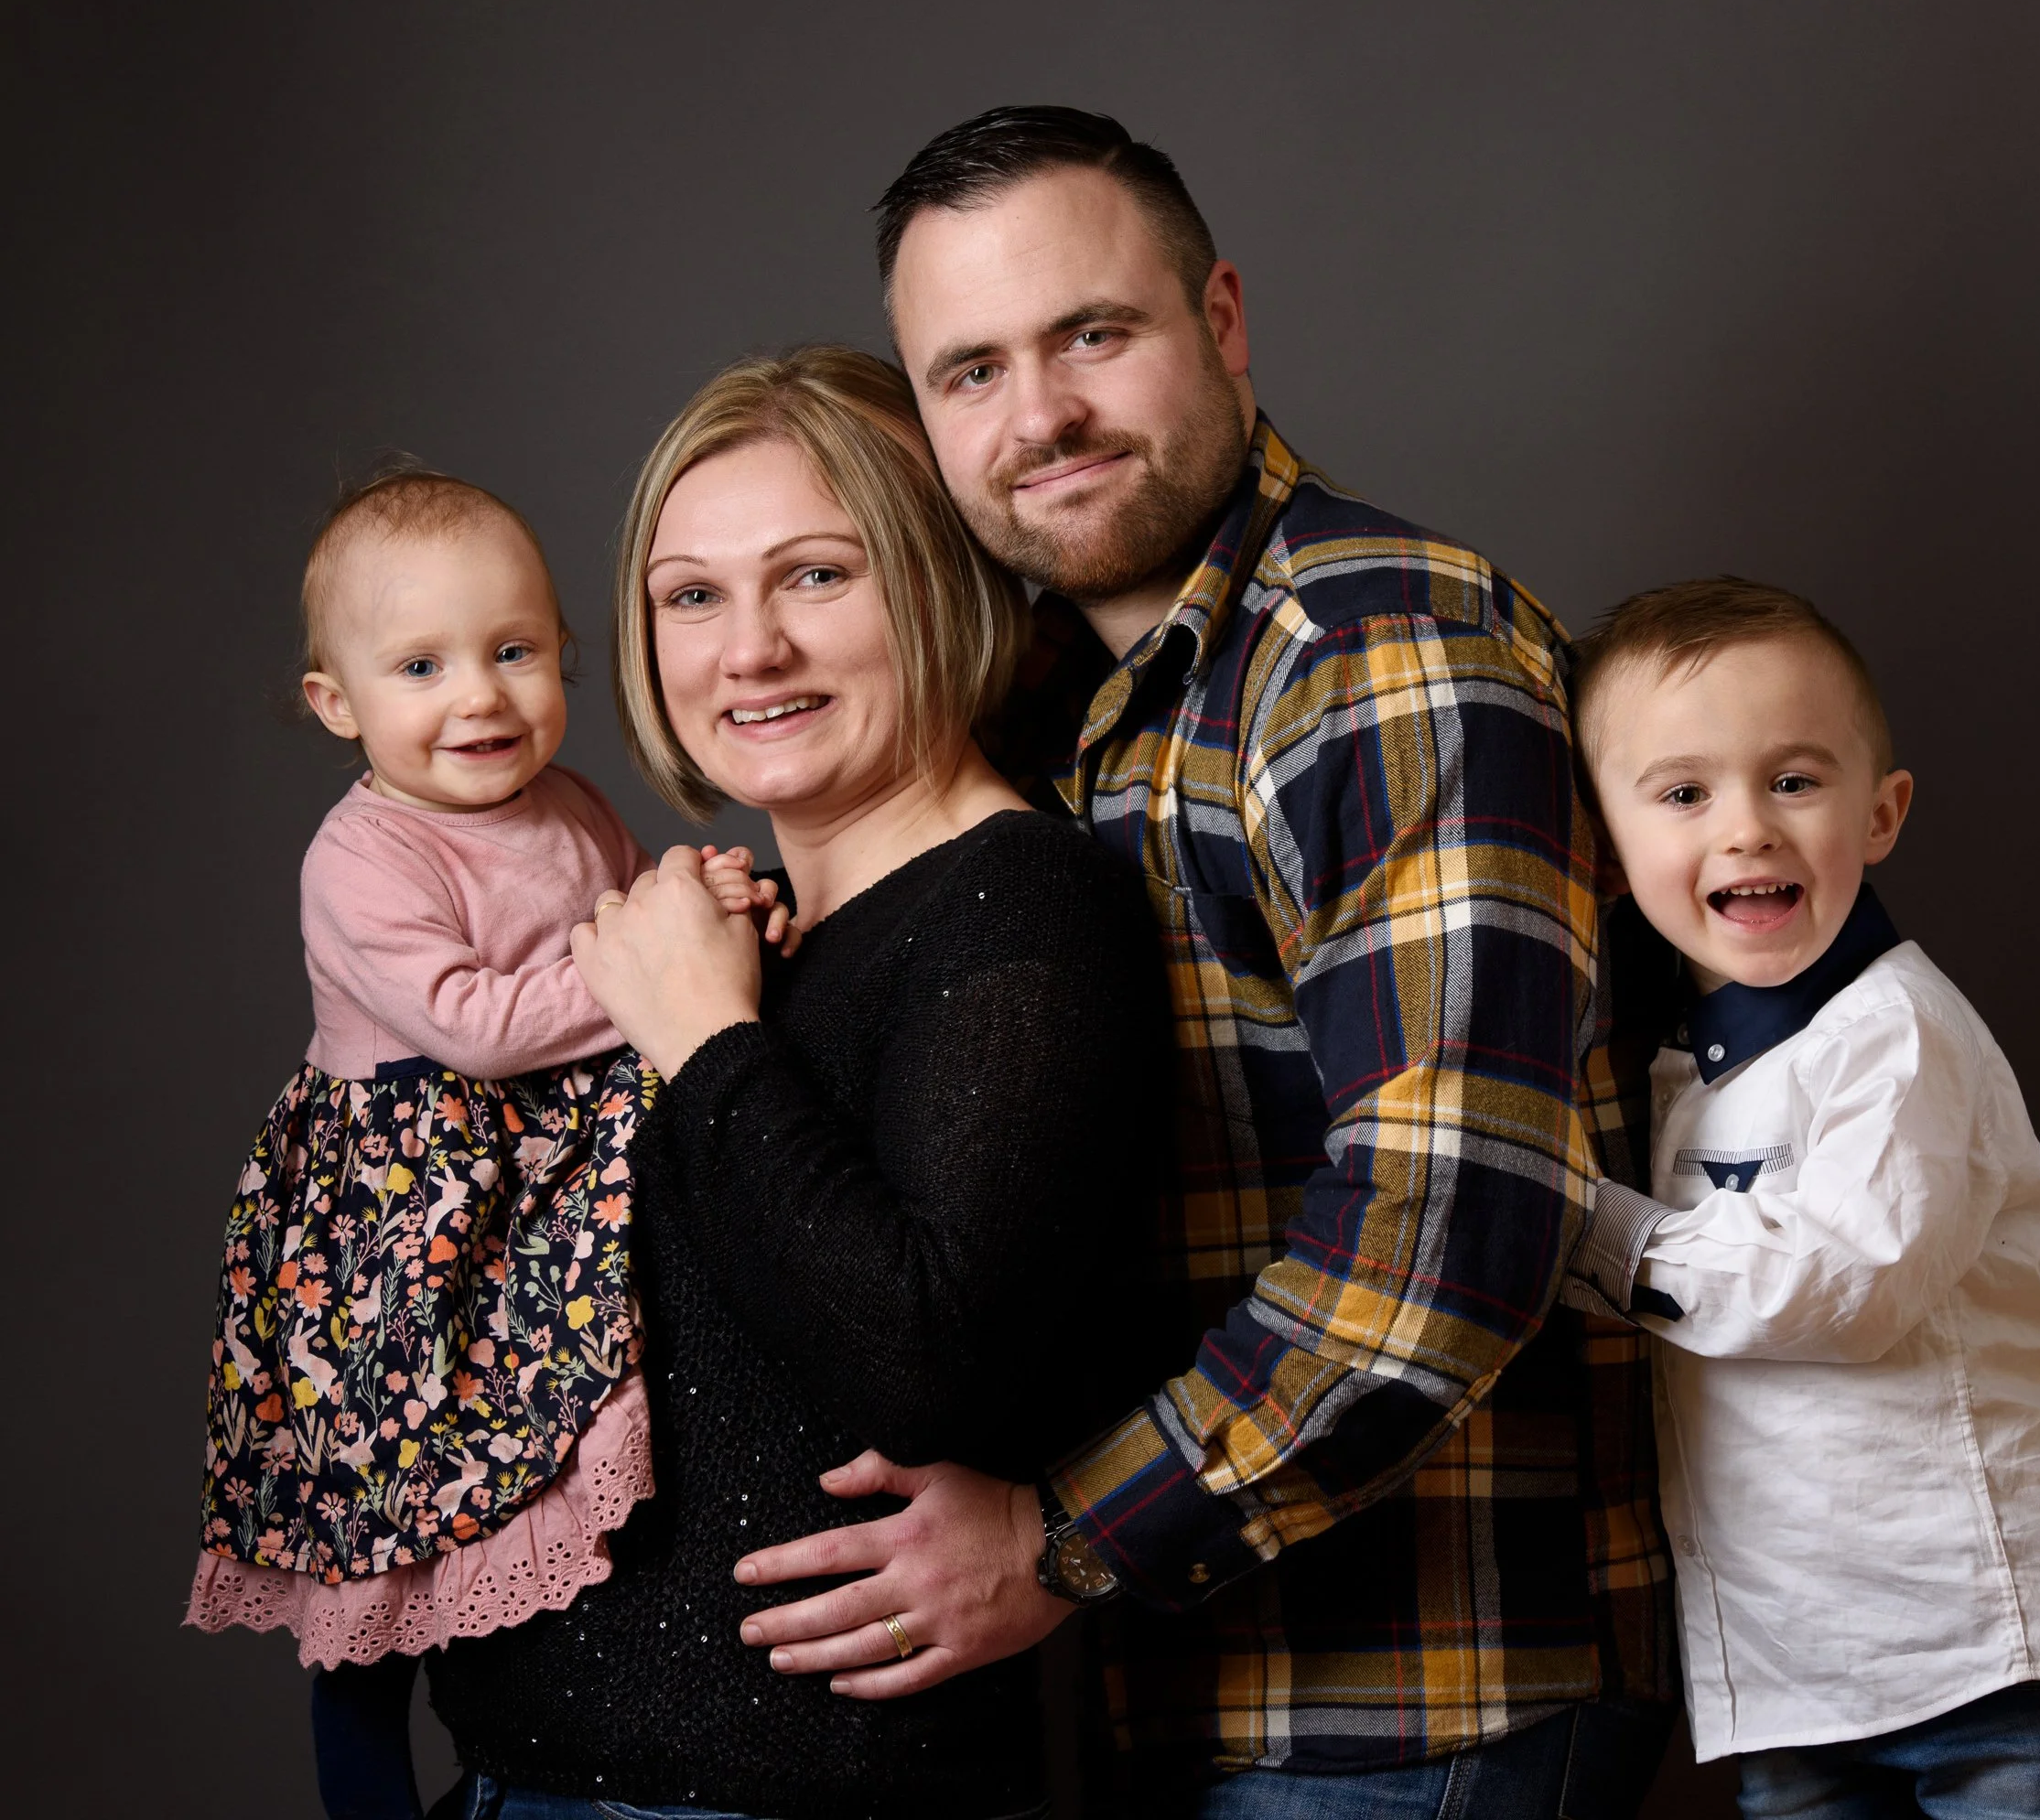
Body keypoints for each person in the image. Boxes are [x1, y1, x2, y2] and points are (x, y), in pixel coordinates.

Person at [733, 108, 1678, 1816]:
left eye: (1094, 334)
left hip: (1416, 1708)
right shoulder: (1058, 719)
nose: (1042, 418)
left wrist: (1063, 1538)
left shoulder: (1373, 647)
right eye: (970, 372)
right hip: (1187, 1686)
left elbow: (1451, 1226)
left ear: (1220, 323)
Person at [418, 345, 1171, 1819]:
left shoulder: (1019, 905)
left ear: (940, 588)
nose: (746, 650)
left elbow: (924, 1359)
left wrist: (705, 1035)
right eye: (692, 594)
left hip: (780, 1798)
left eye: (817, 577)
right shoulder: (747, 927)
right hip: (541, 1780)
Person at [186, 466, 783, 1819]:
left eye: (515, 651)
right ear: (339, 705)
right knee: (383, 1536)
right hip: (396, 1229)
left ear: (563, 655)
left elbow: (634, 914)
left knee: (538, 1483)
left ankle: (544, 1739)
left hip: (535, 1192)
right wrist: (656, 970)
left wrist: (705, 899)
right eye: (421, 665)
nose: (480, 696)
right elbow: (478, 1026)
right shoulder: (363, 859)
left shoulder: (568, 803)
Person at [1563, 577, 2040, 1818]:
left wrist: (1589, 1232)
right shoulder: (1671, 1067)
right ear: (1609, 853)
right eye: (1683, 793)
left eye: (1794, 781)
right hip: (1793, 1671)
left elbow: (1847, 1285)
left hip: (1984, 1645)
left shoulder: (1896, 1035)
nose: (1747, 832)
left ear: (1881, 815)